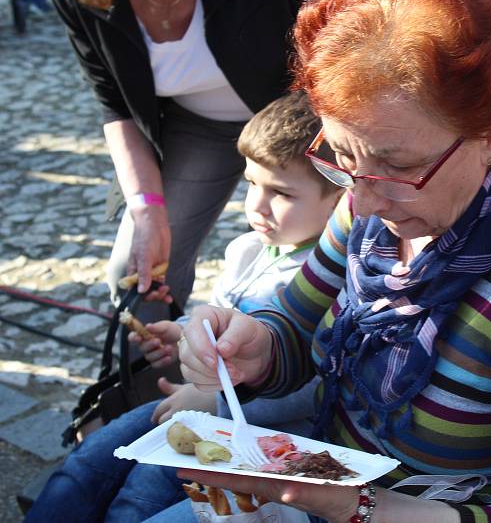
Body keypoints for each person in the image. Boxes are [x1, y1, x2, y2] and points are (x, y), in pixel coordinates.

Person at [163, 0, 491, 522]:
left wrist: (357, 507)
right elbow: (297, 327)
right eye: (343, 156)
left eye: (401, 167)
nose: (365, 199)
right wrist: (258, 348)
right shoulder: (370, 203)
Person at [24, 92, 342, 523]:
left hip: (257, 432)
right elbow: (218, 320)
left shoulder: (330, 282)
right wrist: (184, 338)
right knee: (88, 462)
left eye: (281, 193)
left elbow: (312, 386)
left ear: (342, 201)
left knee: (140, 497)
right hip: (193, 406)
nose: (256, 206)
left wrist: (213, 403)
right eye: (251, 183)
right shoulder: (247, 249)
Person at [49, 0, 318, 323]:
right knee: (139, 270)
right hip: (199, 128)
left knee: (318, 260)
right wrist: (147, 211)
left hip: (303, 116)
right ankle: (157, 367)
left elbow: (338, 42)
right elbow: (115, 104)